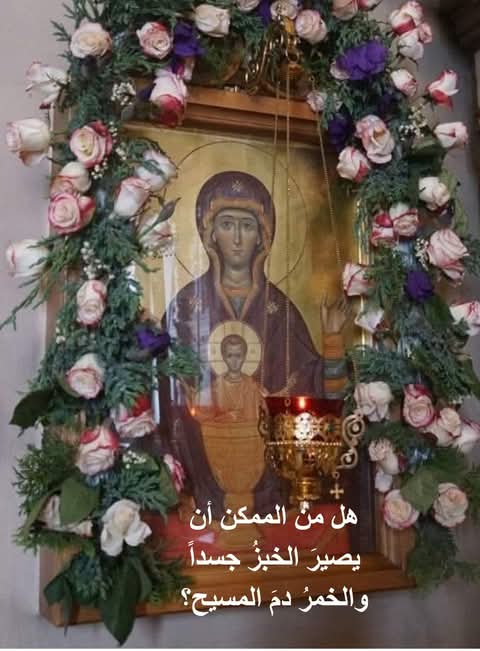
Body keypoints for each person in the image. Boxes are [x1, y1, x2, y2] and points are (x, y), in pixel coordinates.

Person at [159, 171, 348, 518]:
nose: (236, 239)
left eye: (246, 226)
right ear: (209, 233)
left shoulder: (280, 310)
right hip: (201, 478)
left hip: (271, 482)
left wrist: (333, 340)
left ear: (263, 235)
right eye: (226, 225)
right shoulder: (185, 308)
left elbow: (314, 385)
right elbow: (166, 392)